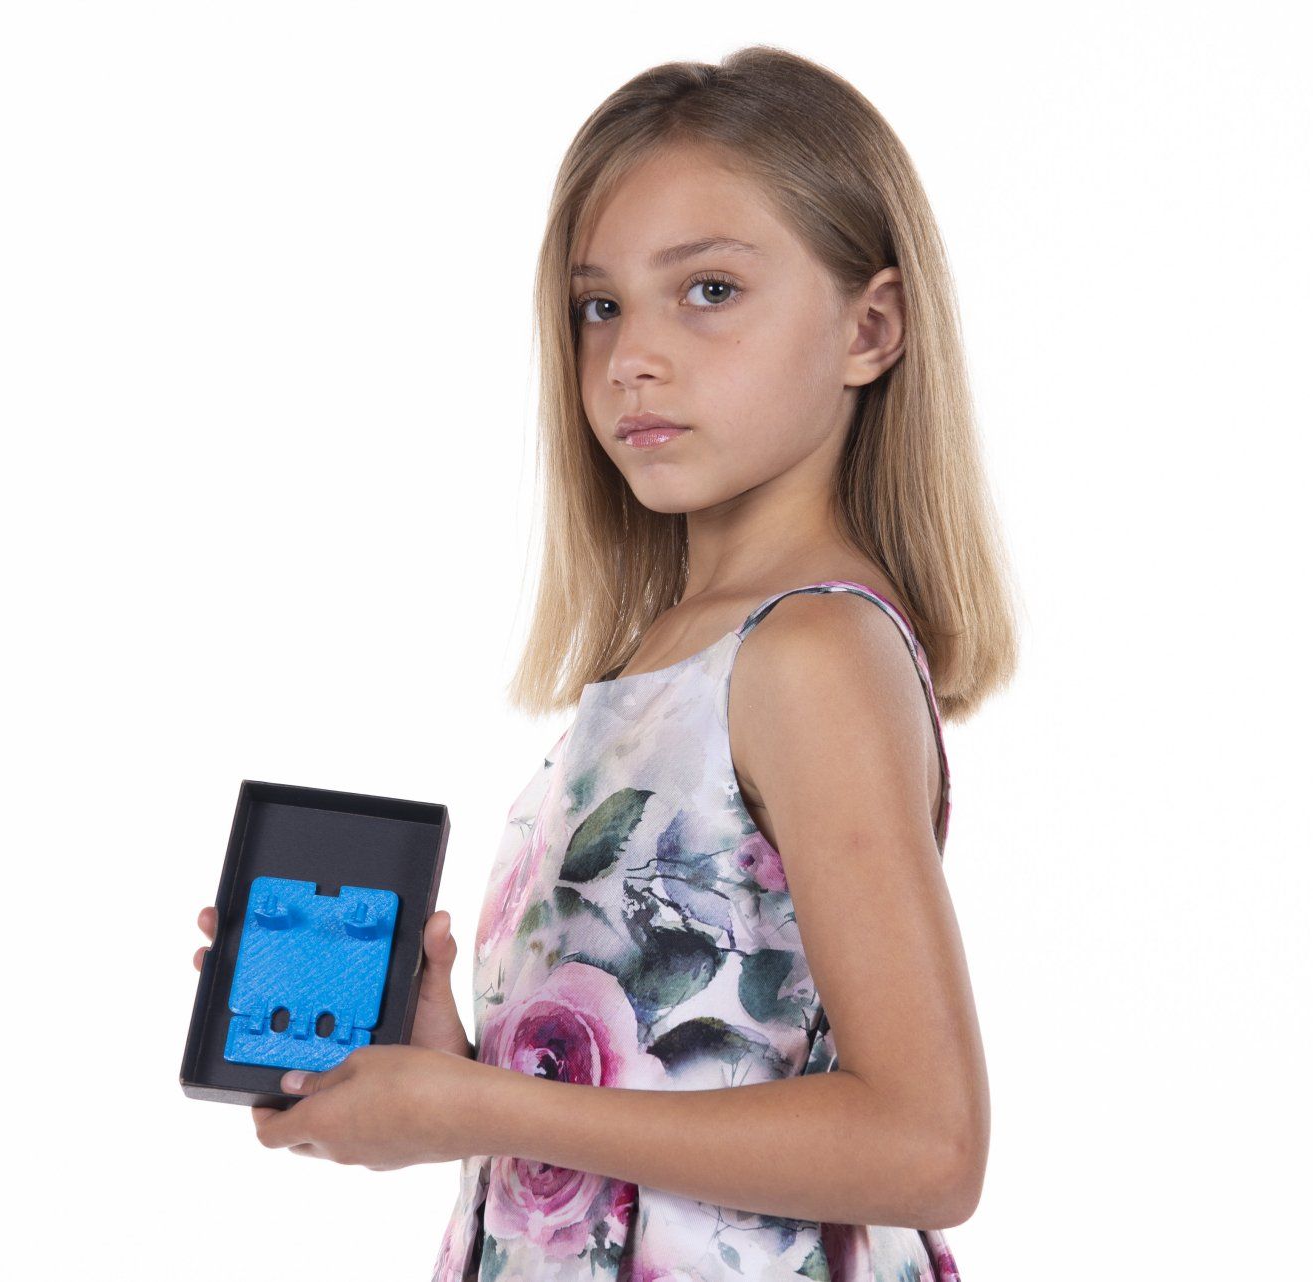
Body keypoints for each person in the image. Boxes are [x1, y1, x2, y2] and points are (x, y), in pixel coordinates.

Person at [191, 45, 1015, 1281]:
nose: (633, 354)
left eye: (711, 290)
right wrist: (461, 1063)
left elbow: (926, 1143)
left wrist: (480, 1110)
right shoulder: (667, 658)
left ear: (873, 326)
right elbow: (705, 1067)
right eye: (600, 304)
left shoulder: (812, 651)